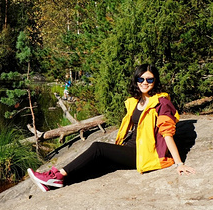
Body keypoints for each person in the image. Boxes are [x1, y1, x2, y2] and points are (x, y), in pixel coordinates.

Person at [28, 64, 196, 192]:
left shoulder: (162, 103)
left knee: (98, 148)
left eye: (149, 79)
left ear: (155, 81)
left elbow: (167, 133)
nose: (145, 83)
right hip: (129, 147)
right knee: (97, 162)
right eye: (141, 79)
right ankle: (56, 183)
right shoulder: (136, 101)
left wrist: (179, 163)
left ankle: (57, 175)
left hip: (144, 153)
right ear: (136, 80)